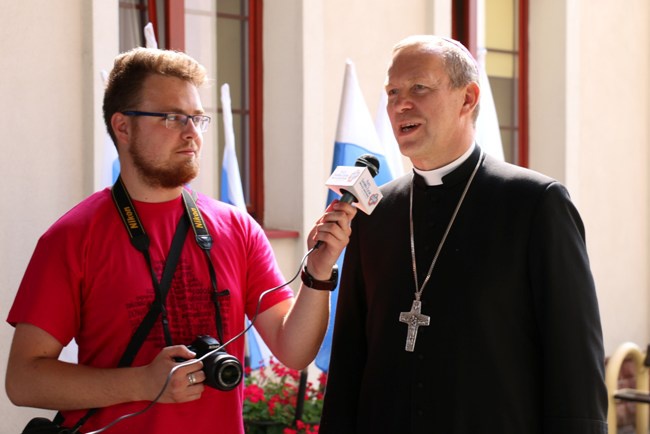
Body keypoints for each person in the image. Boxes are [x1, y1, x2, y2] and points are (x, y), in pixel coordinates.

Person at [6, 48, 356, 434]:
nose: (192, 132)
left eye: (198, 118)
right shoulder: (72, 237)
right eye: (173, 118)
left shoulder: (237, 227)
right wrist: (141, 383)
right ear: (122, 127)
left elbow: (294, 350)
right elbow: (23, 380)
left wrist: (319, 273)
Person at [319, 35, 607, 433]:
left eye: (420, 87)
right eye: (392, 92)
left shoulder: (535, 204)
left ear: (468, 98)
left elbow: (574, 360)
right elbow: (350, 353)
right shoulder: (374, 211)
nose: (401, 103)